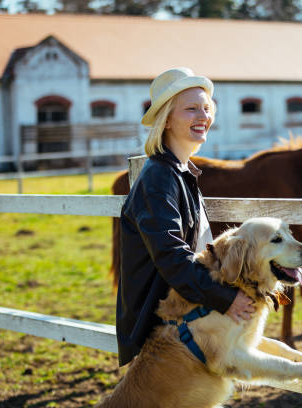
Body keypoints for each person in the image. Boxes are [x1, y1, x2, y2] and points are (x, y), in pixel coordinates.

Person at [116, 67, 255, 367]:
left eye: (206, 108)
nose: (202, 116)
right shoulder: (159, 179)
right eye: (191, 109)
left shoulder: (180, 173)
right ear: (166, 119)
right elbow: (172, 257)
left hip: (184, 318)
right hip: (162, 335)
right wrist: (226, 299)